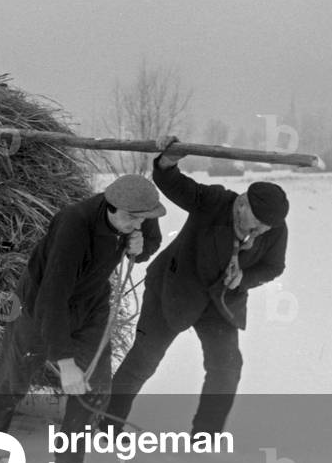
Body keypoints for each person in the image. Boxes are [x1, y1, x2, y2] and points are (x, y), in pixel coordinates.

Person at [0, 174, 165, 463]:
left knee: (96, 384)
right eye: (133, 220)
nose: (139, 224)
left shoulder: (137, 209)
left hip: (92, 305)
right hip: (37, 306)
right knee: (10, 382)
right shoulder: (73, 225)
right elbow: (52, 298)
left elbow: (150, 241)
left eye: (144, 219)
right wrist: (65, 363)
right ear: (112, 207)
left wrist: (142, 247)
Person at [104, 137, 290, 436]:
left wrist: (243, 276)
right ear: (241, 204)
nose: (257, 234)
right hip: (174, 289)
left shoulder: (273, 228)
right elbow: (172, 183)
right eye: (254, 226)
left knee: (227, 367)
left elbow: (273, 266)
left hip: (221, 303)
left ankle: (205, 436)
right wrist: (168, 161)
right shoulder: (214, 202)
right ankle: (106, 425)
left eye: (263, 230)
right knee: (144, 360)